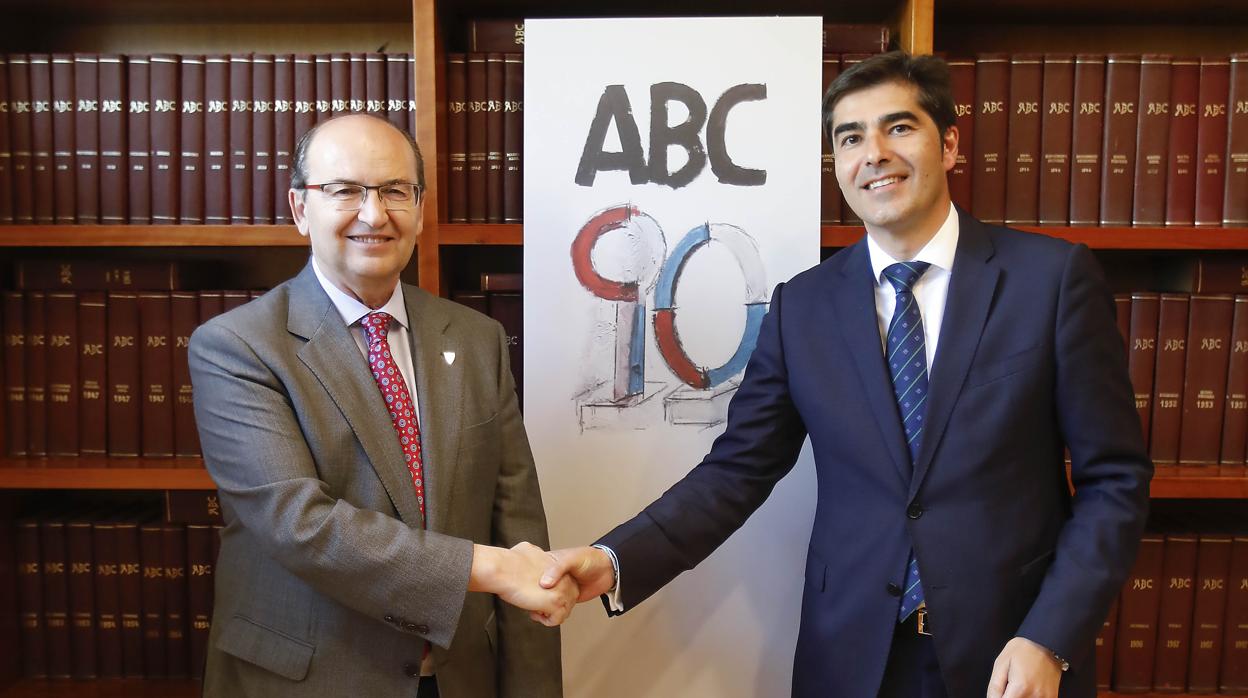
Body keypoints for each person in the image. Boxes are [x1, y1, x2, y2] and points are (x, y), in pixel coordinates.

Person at [540, 51, 1152, 698]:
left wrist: (1049, 637)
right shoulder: (801, 307)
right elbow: (737, 471)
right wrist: (613, 561)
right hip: (853, 660)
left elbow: (1116, 479)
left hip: (1013, 657)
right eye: (850, 137)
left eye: (899, 128)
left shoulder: (1051, 282)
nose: (874, 152)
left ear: (949, 145)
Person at [189, 113, 572, 698]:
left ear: (419, 208)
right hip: (308, 680)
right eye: (344, 190)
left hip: (459, 678)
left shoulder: (474, 339)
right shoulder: (237, 347)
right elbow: (301, 525)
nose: (374, 214)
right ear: (299, 208)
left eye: (396, 191)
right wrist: (491, 568)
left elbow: (516, 517)